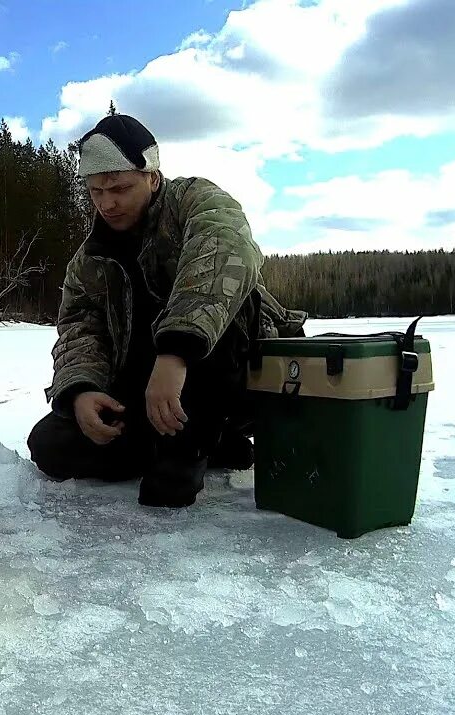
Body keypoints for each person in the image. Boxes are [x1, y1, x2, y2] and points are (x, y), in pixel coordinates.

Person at [27, 113, 306, 508]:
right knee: (51, 446)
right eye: (96, 192)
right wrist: (82, 391)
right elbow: (80, 328)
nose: (107, 203)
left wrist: (175, 353)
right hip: (150, 393)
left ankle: (193, 444)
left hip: (229, 379)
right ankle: (199, 443)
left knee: (166, 492)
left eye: (120, 188)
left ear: (153, 178)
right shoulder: (89, 260)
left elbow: (227, 249)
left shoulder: (196, 201)